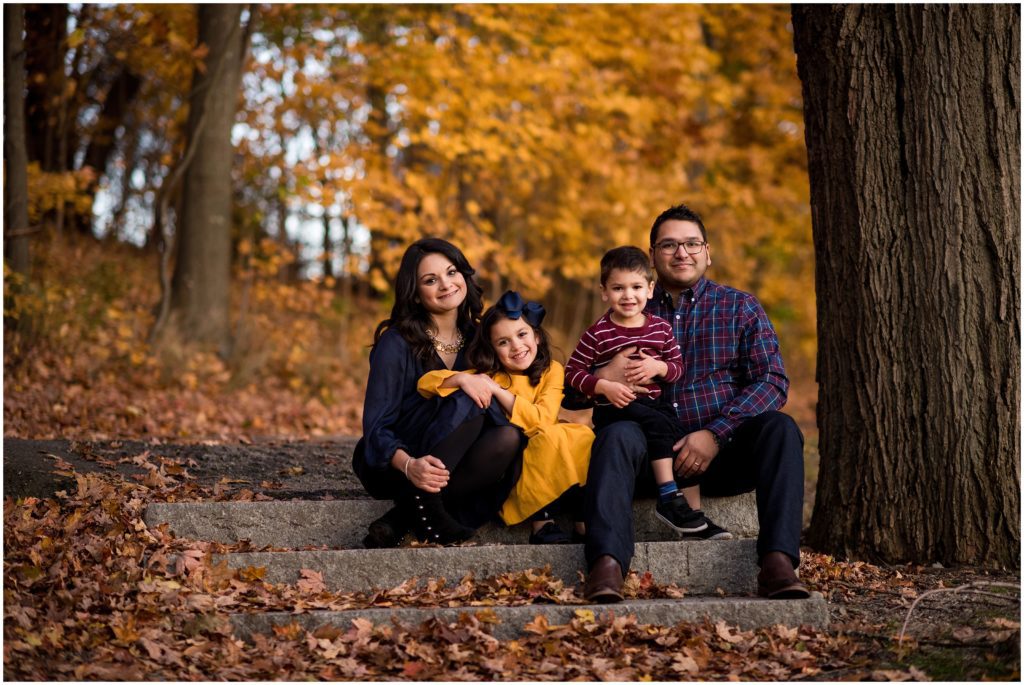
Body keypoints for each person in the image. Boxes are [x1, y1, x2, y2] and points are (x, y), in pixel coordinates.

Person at [581, 203, 809, 603]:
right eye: (668, 245)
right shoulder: (629, 307)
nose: (681, 253)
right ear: (652, 256)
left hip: (723, 456)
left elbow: (771, 381)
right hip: (651, 461)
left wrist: (715, 434)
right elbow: (581, 387)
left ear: (708, 252)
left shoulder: (741, 308)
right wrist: (606, 376)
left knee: (781, 428)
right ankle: (607, 566)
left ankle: (777, 563)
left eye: (691, 243)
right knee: (616, 434)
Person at [352, 238, 523, 547]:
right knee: (470, 396)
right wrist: (409, 465)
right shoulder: (396, 342)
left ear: (464, 276)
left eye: (451, 272)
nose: (446, 284)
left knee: (507, 437)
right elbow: (376, 428)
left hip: (450, 459)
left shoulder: (479, 338)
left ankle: (402, 517)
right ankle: (425, 507)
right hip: (395, 460)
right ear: (415, 294)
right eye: (431, 280)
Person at [565, 246, 731, 539]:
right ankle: (668, 496)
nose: (628, 295)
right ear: (604, 291)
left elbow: (678, 368)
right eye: (618, 288)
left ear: (650, 289)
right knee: (658, 426)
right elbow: (573, 373)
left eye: (636, 287)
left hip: (654, 405)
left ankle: (689, 513)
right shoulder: (597, 333)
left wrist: (658, 367)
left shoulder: (660, 329)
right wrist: (603, 385)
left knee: (679, 433)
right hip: (614, 408)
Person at [417, 291, 592, 544]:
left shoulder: (552, 371)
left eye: (522, 335)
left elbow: (542, 419)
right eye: (503, 342)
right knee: (543, 438)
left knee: (575, 435)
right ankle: (541, 521)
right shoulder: (489, 374)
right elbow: (425, 383)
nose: (517, 347)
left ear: (537, 336)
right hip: (508, 468)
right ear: (493, 349)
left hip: (547, 453)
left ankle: (583, 520)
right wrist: (463, 378)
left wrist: (499, 393)